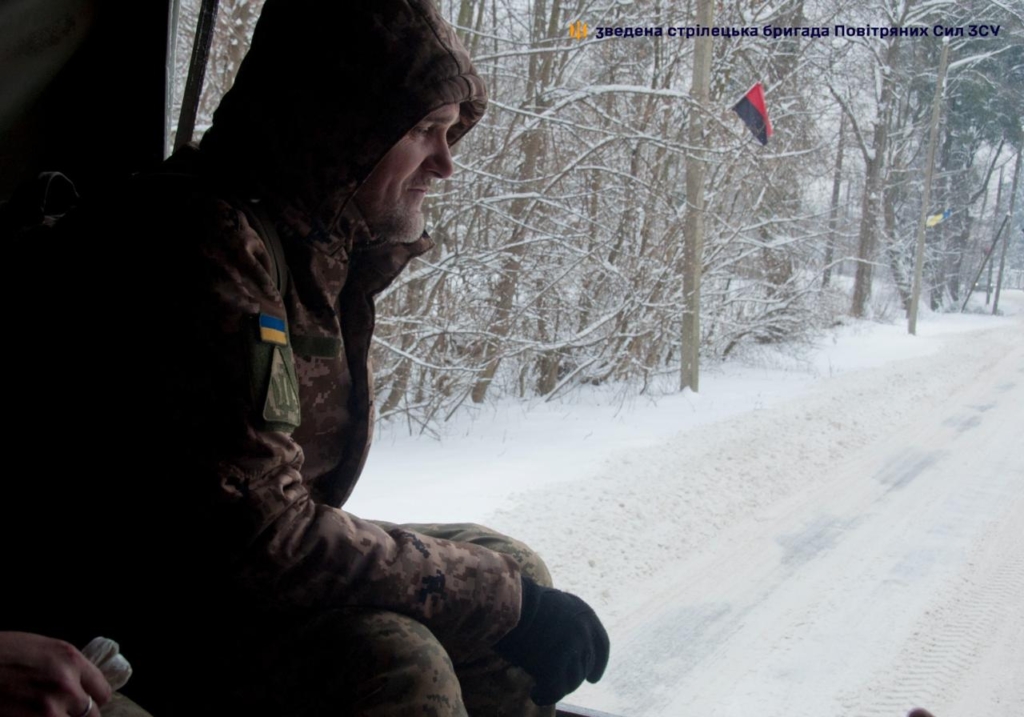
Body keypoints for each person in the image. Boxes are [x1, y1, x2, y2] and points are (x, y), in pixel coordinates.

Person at [3, 1, 607, 715]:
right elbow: (259, 537)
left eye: (450, 133)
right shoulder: (203, 244)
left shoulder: (314, 246)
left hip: (216, 575)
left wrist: (510, 597)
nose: (446, 164)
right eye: (423, 132)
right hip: (140, 601)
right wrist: (510, 604)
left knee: (512, 573)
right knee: (407, 660)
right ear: (346, 126)